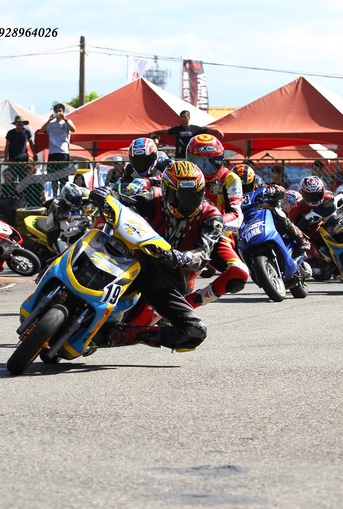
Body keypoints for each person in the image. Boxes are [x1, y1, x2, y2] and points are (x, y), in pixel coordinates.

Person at [87, 160, 224, 351]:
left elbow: (203, 254)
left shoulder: (211, 217)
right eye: (180, 196)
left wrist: (177, 257)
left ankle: (126, 334)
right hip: (132, 260)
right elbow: (126, 200)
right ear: (166, 190)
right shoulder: (154, 197)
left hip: (166, 280)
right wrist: (107, 194)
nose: (186, 203)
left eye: (194, 196)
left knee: (195, 331)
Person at [185, 134, 250, 308]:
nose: (202, 168)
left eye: (208, 162)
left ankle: (190, 303)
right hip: (180, 230)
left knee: (239, 273)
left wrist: (214, 222)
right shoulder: (184, 174)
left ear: (219, 159)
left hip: (213, 237)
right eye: (198, 162)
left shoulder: (230, 179)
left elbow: (237, 215)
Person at [149, 109, 223, 160]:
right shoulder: (177, 129)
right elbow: (166, 131)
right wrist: (156, 132)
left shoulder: (194, 128)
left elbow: (205, 130)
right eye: (181, 117)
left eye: (185, 117)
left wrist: (216, 131)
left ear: (189, 117)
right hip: (179, 156)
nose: (183, 119)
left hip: (191, 155)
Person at [40, 103, 77, 198]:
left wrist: (65, 119)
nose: (58, 113)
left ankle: (63, 196)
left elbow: (73, 129)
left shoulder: (67, 122)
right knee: (53, 177)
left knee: (64, 177)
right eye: (56, 111)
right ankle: (55, 196)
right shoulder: (51, 124)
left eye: (60, 111)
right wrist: (49, 120)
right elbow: (43, 130)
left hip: (63, 152)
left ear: (63, 112)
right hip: (52, 153)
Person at [4, 115, 37, 182]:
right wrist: (5, 158)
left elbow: (31, 143)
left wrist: (34, 154)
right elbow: (7, 146)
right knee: (12, 178)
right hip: (13, 158)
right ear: (15, 123)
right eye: (18, 122)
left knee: (23, 178)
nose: (19, 124)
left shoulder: (27, 132)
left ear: (23, 123)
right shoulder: (10, 133)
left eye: (21, 122)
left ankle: (23, 188)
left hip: (23, 158)